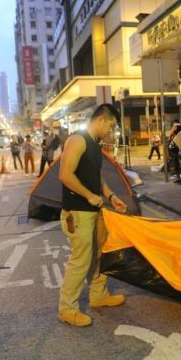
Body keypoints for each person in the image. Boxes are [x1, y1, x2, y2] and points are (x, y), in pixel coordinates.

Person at [58, 103, 127, 327]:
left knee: (99, 254)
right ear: (101, 120)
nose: (111, 131)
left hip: (94, 211)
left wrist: (111, 195)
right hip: (78, 213)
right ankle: (67, 309)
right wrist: (89, 196)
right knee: (81, 261)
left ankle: (98, 296)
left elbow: (96, 177)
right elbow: (65, 175)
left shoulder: (94, 145)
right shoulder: (77, 140)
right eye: (111, 125)